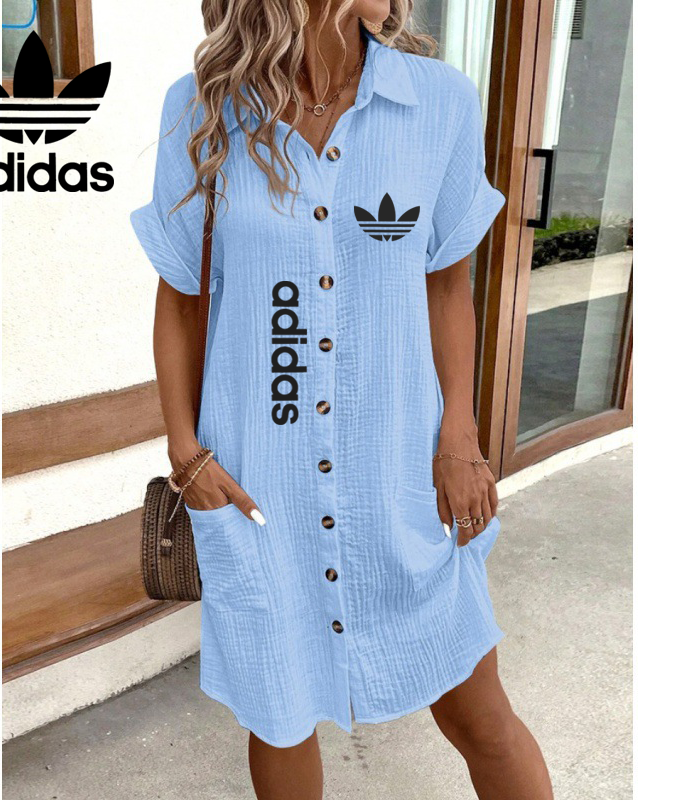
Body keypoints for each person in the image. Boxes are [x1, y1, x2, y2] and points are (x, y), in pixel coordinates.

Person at [131, 1, 553, 798]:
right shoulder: (205, 106)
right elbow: (181, 296)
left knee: (478, 714)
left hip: (401, 475)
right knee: (279, 715)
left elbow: (447, 284)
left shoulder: (438, 102)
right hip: (262, 483)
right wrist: (186, 452)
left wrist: (460, 439)